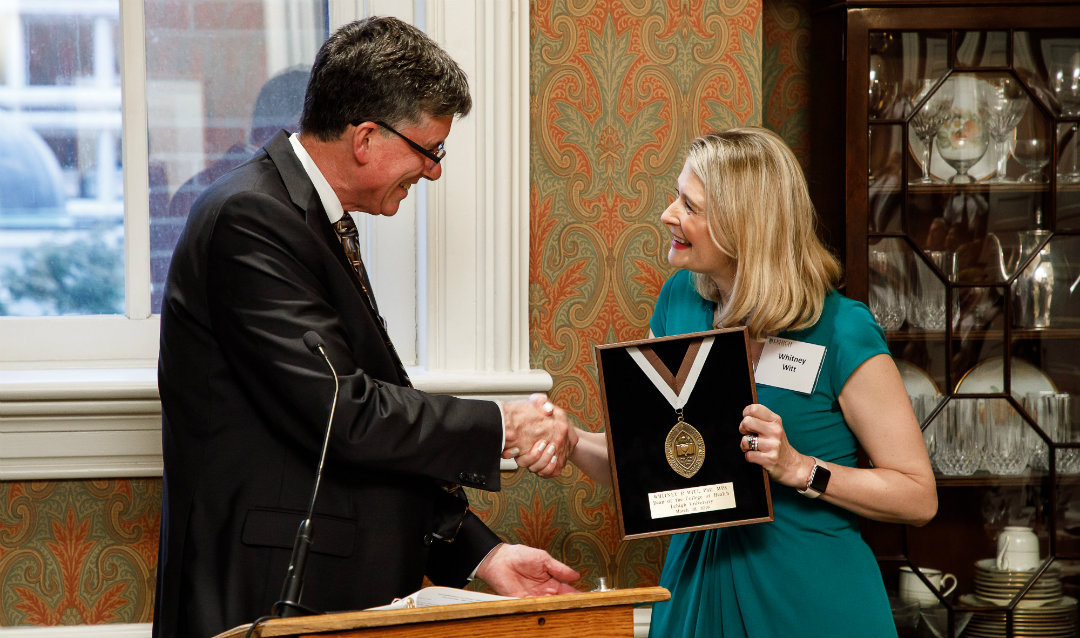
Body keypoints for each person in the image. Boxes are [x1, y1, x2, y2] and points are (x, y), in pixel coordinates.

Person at [154, 17, 579, 638]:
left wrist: (483, 555)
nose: (433, 172)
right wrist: (502, 423)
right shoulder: (250, 218)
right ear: (366, 139)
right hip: (264, 599)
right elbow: (341, 414)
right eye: (429, 150)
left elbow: (370, 425)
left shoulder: (308, 218)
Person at [518, 127, 938, 637]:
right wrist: (574, 439)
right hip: (697, 586)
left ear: (747, 227)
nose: (669, 214)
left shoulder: (842, 330)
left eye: (690, 206)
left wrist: (800, 468)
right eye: (677, 196)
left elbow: (918, 497)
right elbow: (651, 462)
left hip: (811, 598)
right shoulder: (679, 302)